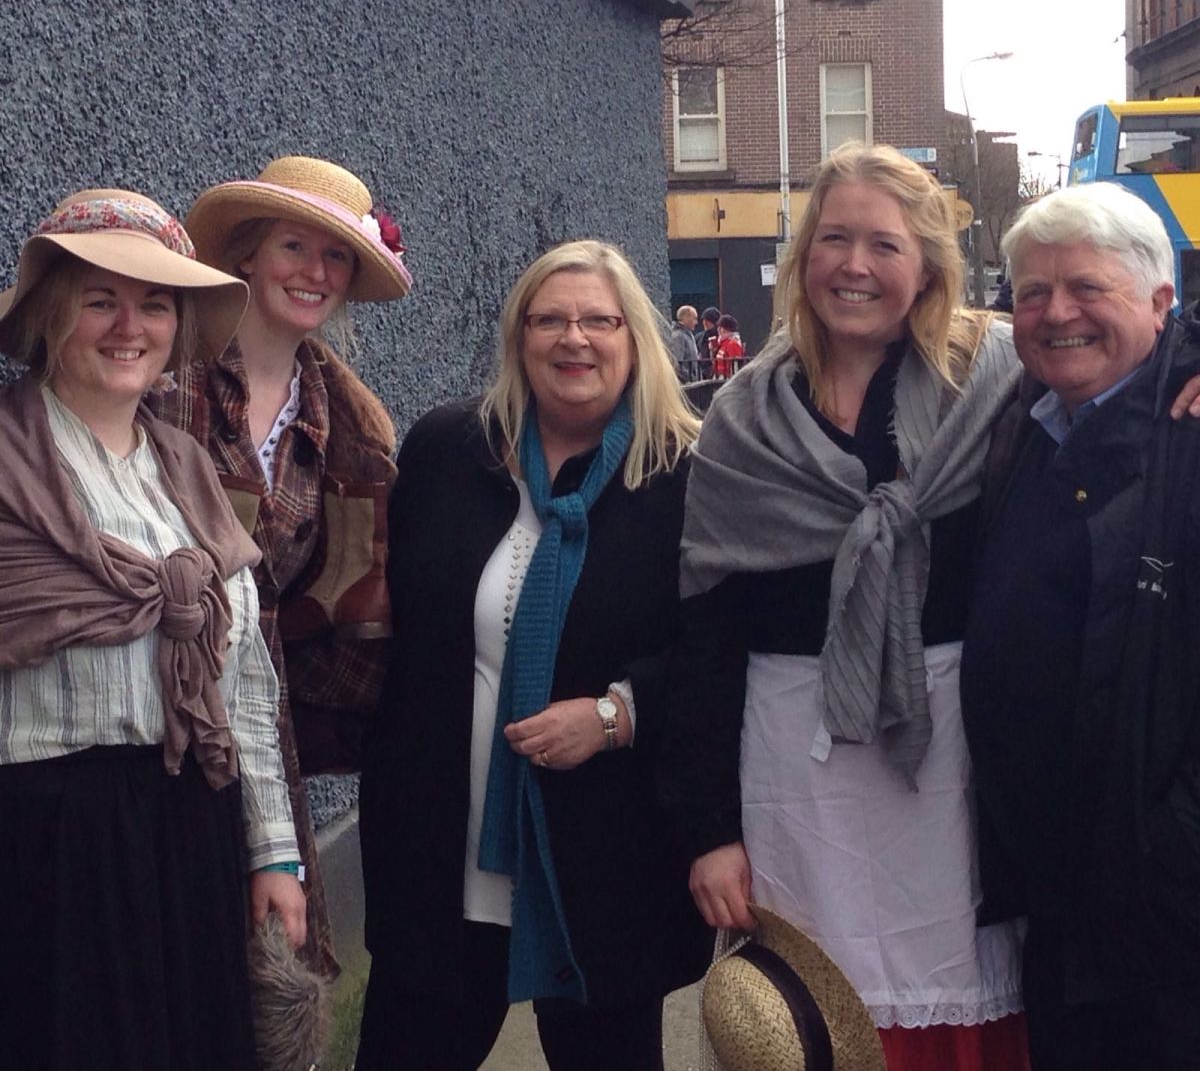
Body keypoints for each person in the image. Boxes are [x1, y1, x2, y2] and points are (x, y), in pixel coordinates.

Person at [659, 143, 1032, 1070]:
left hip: (953, 764)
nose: (854, 265)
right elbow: (704, 640)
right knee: (809, 1021)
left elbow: (1117, 351)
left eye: (884, 244)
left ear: (928, 267)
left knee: (960, 1002)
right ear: (802, 259)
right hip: (795, 769)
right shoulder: (743, 420)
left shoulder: (995, 388)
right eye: (833, 240)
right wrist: (710, 832)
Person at [357, 239, 711, 1071]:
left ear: (634, 339)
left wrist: (617, 714)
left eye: (598, 321)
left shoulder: (681, 474)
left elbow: (714, 651)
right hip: (445, 856)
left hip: (601, 863)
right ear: (519, 338)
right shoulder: (449, 451)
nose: (572, 338)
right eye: (548, 320)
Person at [0, 189, 303, 1071]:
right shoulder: (10, 463)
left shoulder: (186, 469)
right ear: (53, 313)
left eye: (155, 305)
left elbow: (244, 682)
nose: (129, 327)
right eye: (101, 300)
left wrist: (272, 853)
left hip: (188, 827)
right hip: (44, 845)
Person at [151, 156, 411, 976]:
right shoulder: (166, 377)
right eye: (295, 247)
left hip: (260, 729)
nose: (315, 273)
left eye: (336, 257)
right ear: (248, 254)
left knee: (260, 978)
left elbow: (345, 598)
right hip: (145, 714)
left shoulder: (352, 429)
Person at [960, 183, 1200, 1070]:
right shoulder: (1016, 422)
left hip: (1167, 909)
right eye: (1033, 292)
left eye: (1088, 288)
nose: (1057, 313)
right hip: (1058, 896)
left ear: (1161, 303)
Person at [670, 303, 700, 382]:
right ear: (685, 318)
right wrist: (692, 378)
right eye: (694, 318)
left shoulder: (688, 335)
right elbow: (676, 364)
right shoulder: (678, 336)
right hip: (686, 384)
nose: (696, 322)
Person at [713, 312, 745, 378]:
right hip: (720, 377)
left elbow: (735, 366)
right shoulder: (723, 343)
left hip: (727, 379)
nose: (718, 330)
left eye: (721, 327)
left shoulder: (733, 344)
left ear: (727, 329)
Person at [698, 305, 721, 375]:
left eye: (708, 320)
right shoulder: (699, 337)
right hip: (701, 371)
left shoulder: (720, 336)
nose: (705, 322)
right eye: (703, 320)